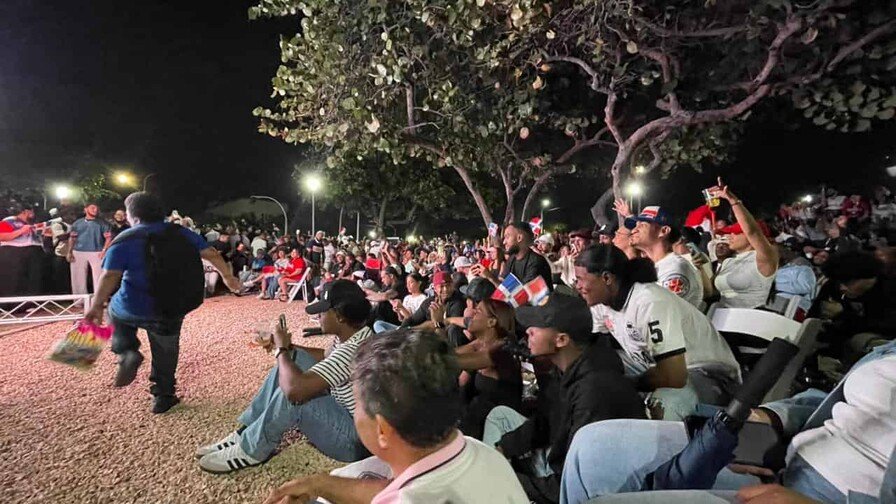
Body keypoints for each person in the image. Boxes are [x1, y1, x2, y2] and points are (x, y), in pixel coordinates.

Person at [559, 340, 896, 504]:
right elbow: (835, 401)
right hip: (788, 452)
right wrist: (774, 416)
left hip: (830, 496)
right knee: (593, 444)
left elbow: (675, 375)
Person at [262, 329, 529, 504]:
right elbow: (397, 489)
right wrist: (319, 483)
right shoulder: (481, 452)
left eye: (357, 403)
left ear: (382, 429)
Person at [83, 192, 240, 413]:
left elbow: (109, 276)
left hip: (134, 305)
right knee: (166, 349)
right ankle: (163, 396)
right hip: (173, 306)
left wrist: (96, 306)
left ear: (132, 216)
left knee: (115, 309)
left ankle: (126, 350)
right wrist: (228, 277)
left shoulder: (126, 239)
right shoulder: (183, 233)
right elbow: (212, 253)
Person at [483, 293, 646, 503]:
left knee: (491, 485)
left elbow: (575, 483)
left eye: (536, 327)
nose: (528, 331)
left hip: (582, 486)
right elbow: (545, 422)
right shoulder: (566, 368)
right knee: (499, 418)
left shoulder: (595, 391)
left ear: (561, 339)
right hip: (561, 459)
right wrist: (502, 448)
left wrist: (508, 481)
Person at [198, 280, 373, 472]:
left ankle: (252, 450)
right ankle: (245, 432)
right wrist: (288, 348)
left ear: (339, 316)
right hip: (351, 420)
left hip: (353, 441)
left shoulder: (352, 351)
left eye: (323, 311)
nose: (318, 316)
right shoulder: (357, 335)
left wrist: (281, 350)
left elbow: (294, 391)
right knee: (294, 360)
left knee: (294, 394)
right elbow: (325, 356)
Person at [575, 244, 741, 420]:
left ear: (606, 278)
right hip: (658, 366)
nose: (576, 286)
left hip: (709, 374)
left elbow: (674, 376)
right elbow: (593, 347)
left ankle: (668, 446)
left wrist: (626, 384)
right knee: (589, 372)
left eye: (580, 279)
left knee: (663, 404)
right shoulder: (602, 302)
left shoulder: (649, 301)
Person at [453, 299, 522, 440]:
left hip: (500, 429)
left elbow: (452, 360)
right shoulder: (480, 343)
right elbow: (449, 354)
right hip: (479, 421)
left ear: (492, 322)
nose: (471, 314)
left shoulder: (504, 347)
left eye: (477, 311)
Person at [708, 178, 779, 309]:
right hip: (721, 320)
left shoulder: (766, 258)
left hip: (747, 324)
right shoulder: (728, 261)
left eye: (736, 233)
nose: (730, 236)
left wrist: (733, 201)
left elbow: (753, 232)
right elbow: (710, 292)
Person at [619, 203, 705, 308]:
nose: (633, 230)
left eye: (642, 225)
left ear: (663, 231)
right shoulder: (650, 267)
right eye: (635, 226)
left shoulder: (675, 268)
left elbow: (659, 313)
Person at [474, 222, 553, 290]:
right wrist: (486, 276)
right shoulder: (512, 258)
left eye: (507, 237)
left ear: (519, 238)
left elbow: (520, 296)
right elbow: (503, 284)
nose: (504, 242)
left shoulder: (536, 262)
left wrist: (491, 277)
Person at [398, 270, 467, 347]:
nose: (445, 289)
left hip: (450, 341)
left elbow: (448, 322)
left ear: (452, 285)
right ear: (435, 288)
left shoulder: (458, 300)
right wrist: (402, 331)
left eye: (448, 285)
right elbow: (412, 319)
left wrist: (417, 328)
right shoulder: (429, 302)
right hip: (431, 339)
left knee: (453, 328)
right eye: (441, 286)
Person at [0, 202, 45, 298]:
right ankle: (10, 305)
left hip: (33, 253)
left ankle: (30, 304)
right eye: (32, 212)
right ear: (26, 211)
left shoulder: (31, 224)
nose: (33, 214)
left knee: (32, 279)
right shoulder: (9, 220)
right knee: (14, 280)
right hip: (14, 252)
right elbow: (2, 236)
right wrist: (21, 231)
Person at [68, 202, 112, 298]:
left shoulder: (103, 223)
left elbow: (108, 238)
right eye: (92, 208)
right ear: (85, 209)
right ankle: (79, 300)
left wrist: (104, 250)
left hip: (97, 251)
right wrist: (69, 251)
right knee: (78, 278)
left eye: (96, 208)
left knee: (99, 277)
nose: (95, 210)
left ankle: (99, 299)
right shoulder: (77, 223)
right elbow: (72, 238)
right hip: (78, 251)